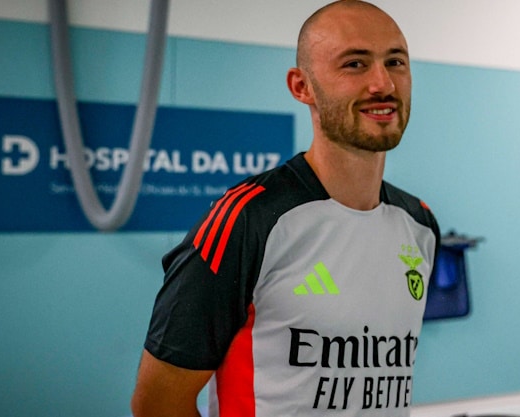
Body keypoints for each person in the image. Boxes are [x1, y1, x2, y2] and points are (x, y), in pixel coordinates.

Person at [131, 1, 440, 416]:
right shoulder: (249, 218)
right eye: (355, 64)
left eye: (395, 62)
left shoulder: (418, 223)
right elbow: (157, 403)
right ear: (302, 86)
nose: (382, 83)